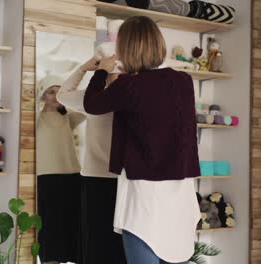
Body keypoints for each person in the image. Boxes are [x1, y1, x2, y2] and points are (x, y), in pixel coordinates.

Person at [83, 16, 201, 264]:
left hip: (144, 196)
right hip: (181, 193)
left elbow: (91, 104)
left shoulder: (128, 86)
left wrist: (102, 71)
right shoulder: (184, 81)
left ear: (125, 49)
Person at [57, 55, 126, 264]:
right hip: (99, 180)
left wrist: (85, 69)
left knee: (115, 245)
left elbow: (63, 94)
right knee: (98, 243)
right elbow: (63, 95)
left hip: (124, 180)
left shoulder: (124, 96)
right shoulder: (93, 97)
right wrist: (83, 68)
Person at [36, 75, 85, 264]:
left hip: (72, 177)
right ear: (43, 94)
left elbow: (87, 107)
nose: (55, 97)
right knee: (49, 229)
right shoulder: (36, 118)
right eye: (51, 92)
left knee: (71, 226)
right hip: (46, 179)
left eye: (59, 92)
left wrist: (68, 96)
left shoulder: (68, 118)